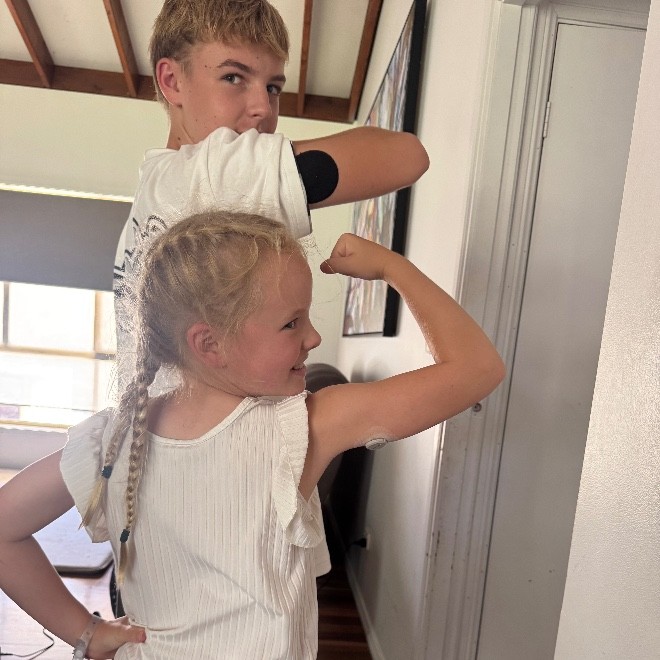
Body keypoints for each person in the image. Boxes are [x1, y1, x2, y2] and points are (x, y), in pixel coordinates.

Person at [0, 210, 505, 658]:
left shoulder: (109, 442)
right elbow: (477, 369)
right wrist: (394, 268)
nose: (313, 337)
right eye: (292, 323)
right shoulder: (302, 426)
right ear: (210, 344)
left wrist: (85, 633)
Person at [113, 0, 429, 328]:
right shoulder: (209, 174)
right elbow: (406, 156)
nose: (264, 107)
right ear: (172, 80)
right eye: (233, 77)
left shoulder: (154, 188)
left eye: (273, 87)